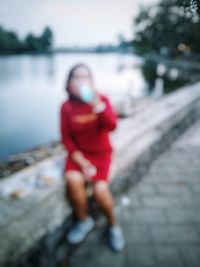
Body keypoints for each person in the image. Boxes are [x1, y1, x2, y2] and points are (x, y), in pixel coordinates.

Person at [60, 63, 125, 251]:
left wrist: (97, 104)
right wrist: (82, 162)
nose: (81, 81)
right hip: (79, 154)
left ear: (92, 82)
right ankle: (83, 220)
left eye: (85, 77)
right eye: (76, 77)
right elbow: (66, 139)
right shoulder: (66, 107)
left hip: (101, 153)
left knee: (100, 191)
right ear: (69, 83)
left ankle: (113, 225)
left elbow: (112, 126)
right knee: (72, 179)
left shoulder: (101, 99)